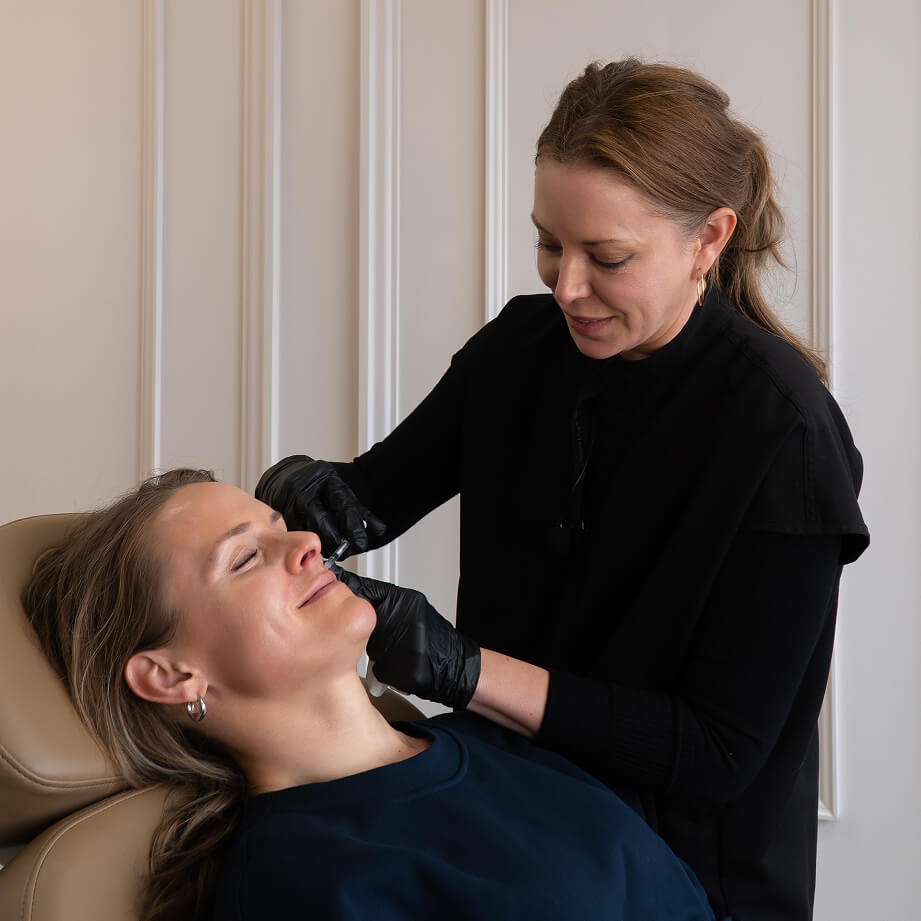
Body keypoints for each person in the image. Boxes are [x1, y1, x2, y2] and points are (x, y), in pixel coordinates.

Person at [256, 59, 869, 921]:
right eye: (548, 241)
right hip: (512, 815)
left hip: (682, 873)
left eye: (606, 257)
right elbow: (369, 498)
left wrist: (463, 669)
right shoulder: (518, 352)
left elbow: (714, 752)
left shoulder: (785, 438)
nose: (565, 286)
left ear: (709, 238)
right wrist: (296, 504)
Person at [24, 469, 724, 921]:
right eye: (244, 557)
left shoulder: (486, 739)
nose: (304, 541)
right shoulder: (301, 887)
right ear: (173, 675)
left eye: (279, 525)